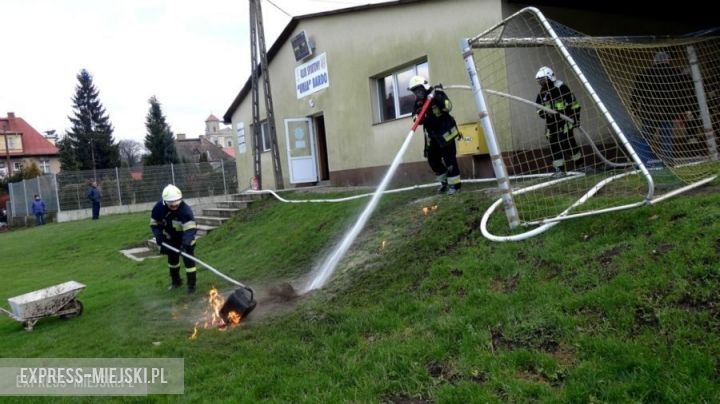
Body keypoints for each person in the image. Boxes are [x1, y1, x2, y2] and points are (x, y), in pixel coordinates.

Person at [631, 51, 695, 165]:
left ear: (654, 61)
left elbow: (636, 92)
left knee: (645, 139)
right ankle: (668, 163)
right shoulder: (675, 73)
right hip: (667, 111)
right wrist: (684, 110)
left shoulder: (645, 74)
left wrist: (634, 108)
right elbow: (681, 93)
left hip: (649, 112)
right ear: (667, 60)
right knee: (666, 138)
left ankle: (641, 163)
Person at [409, 75, 462, 195]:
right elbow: (414, 117)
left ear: (424, 87)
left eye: (418, 90)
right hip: (432, 136)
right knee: (433, 160)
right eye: (415, 91)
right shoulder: (418, 102)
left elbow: (448, 107)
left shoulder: (437, 94)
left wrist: (436, 99)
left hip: (445, 134)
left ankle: (455, 186)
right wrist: (418, 114)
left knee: (450, 160)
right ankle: (445, 183)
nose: (417, 93)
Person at [535, 66, 582, 178]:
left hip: (565, 121)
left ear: (550, 77)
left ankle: (580, 165)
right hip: (551, 124)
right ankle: (559, 170)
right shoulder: (543, 93)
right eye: (540, 81)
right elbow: (538, 108)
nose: (542, 83)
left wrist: (576, 118)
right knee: (554, 145)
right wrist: (546, 114)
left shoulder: (562, 88)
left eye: (543, 80)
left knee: (567, 143)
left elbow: (574, 104)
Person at [150, 184, 198, 294]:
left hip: (186, 239)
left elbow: (190, 229)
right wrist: (159, 236)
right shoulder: (158, 208)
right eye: (172, 206)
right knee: (172, 262)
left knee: (189, 263)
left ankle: (191, 286)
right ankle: (176, 282)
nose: (175, 207)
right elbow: (154, 224)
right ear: (165, 202)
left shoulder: (185, 210)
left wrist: (185, 244)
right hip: (170, 240)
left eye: (177, 204)